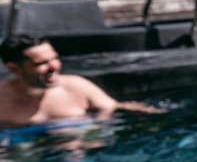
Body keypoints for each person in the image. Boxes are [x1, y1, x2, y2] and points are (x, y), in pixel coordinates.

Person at [0, 34, 161, 128]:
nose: (55, 66)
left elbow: (114, 107)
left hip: (75, 156)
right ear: (14, 68)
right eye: (42, 63)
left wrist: (158, 115)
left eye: (55, 58)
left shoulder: (76, 86)